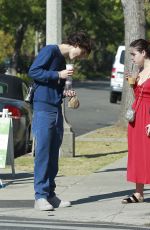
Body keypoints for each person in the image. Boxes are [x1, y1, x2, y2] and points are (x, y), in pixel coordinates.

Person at [28, 31, 92, 211]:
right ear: (76, 44)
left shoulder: (62, 60)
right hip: (43, 108)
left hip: (55, 108)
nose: (81, 57)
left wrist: (64, 92)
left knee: (53, 154)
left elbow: (50, 84)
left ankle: (50, 194)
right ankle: (40, 196)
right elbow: (33, 71)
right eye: (83, 53)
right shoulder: (50, 51)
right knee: (43, 153)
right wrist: (59, 74)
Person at [122, 39, 150, 204]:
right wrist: (132, 84)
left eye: (134, 54)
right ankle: (138, 193)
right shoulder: (139, 71)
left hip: (148, 116)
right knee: (137, 154)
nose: (132, 57)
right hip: (136, 116)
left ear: (144, 53)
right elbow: (138, 96)